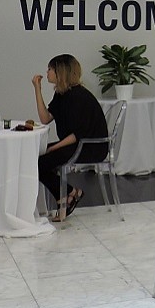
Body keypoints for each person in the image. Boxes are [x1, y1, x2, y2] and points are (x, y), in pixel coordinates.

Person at [32, 54, 108, 222]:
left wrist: (55, 147)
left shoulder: (77, 97)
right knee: (36, 160)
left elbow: (77, 134)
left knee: (39, 163)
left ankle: (67, 195)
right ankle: (70, 194)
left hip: (90, 147)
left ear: (60, 72)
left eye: (50, 69)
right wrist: (37, 88)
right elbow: (45, 118)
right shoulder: (62, 94)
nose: (47, 72)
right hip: (77, 143)